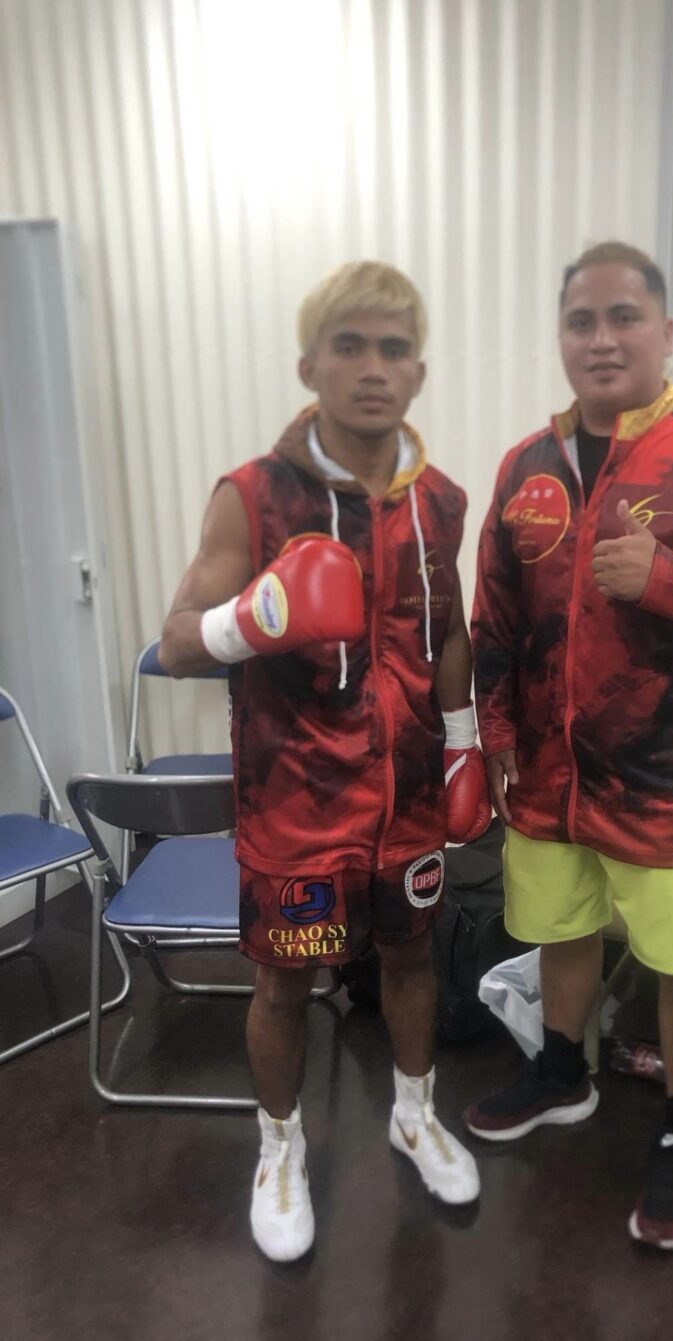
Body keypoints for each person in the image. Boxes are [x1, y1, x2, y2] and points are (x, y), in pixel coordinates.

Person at [465, 241, 673, 1250]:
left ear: (666, 333)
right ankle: (562, 1069)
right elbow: (491, 616)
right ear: (562, 338)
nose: (602, 338)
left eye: (624, 318)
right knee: (561, 931)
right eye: (582, 321)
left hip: (666, 782)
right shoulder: (525, 466)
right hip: (545, 778)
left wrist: (668, 578)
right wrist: (490, 734)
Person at [159, 260, 490, 1262]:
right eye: (350, 345)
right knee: (283, 988)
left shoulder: (442, 502)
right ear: (311, 365)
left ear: (419, 373)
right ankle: (277, 1147)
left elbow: (448, 637)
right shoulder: (254, 496)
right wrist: (256, 615)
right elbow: (175, 640)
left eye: (393, 349)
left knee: (409, 962)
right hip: (297, 806)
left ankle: (413, 1112)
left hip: (410, 802)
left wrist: (468, 747)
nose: (372, 367)